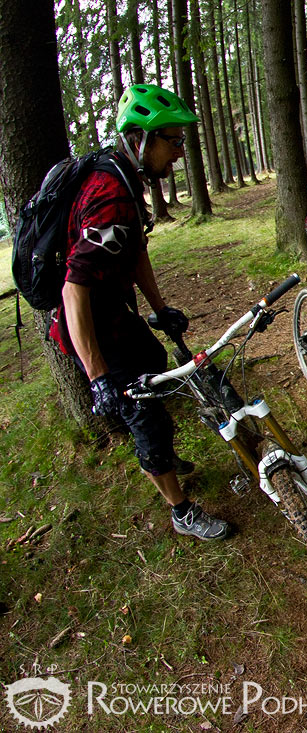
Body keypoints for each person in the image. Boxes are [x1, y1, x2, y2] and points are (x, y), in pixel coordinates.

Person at [49, 84, 228, 540]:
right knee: (142, 413)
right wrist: (98, 377)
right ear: (140, 139)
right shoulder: (109, 195)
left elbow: (135, 252)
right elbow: (73, 290)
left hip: (117, 315)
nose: (180, 152)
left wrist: (160, 308)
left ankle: (161, 455)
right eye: (173, 141)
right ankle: (181, 511)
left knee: (155, 364)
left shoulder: (127, 181)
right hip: (94, 331)